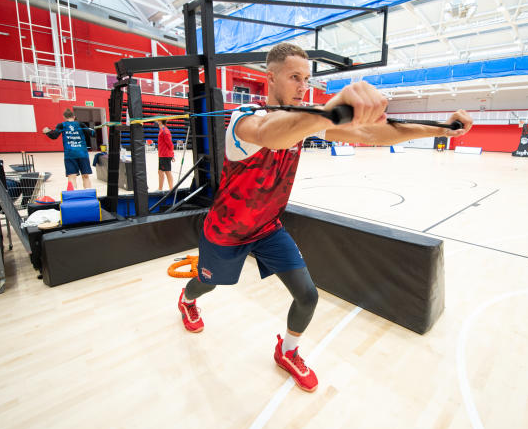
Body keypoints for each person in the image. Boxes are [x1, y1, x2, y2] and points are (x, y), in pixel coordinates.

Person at [178, 42, 472, 392]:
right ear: (270, 77)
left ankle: (287, 352)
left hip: (267, 228)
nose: (303, 86)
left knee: (308, 296)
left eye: (307, 78)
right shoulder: (244, 118)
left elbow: (371, 133)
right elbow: (269, 135)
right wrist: (328, 112)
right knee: (208, 283)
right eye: (294, 77)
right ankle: (187, 298)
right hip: (226, 231)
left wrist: (440, 129)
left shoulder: (306, 123)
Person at [43, 109, 96, 189]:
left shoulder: (61, 125)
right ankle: (88, 195)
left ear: (64, 117)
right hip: (83, 154)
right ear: (74, 117)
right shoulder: (80, 124)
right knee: (85, 176)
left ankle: (73, 197)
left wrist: (47, 131)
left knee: (71, 176)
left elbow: (54, 136)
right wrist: (92, 130)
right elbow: (92, 134)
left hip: (70, 155)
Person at [156, 119, 175, 191]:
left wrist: (172, 154)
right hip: (161, 155)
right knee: (160, 172)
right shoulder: (161, 130)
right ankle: (160, 189)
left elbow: (170, 144)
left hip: (165, 155)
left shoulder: (165, 131)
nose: (156, 122)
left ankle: (171, 189)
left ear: (160, 121)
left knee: (167, 172)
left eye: (157, 120)